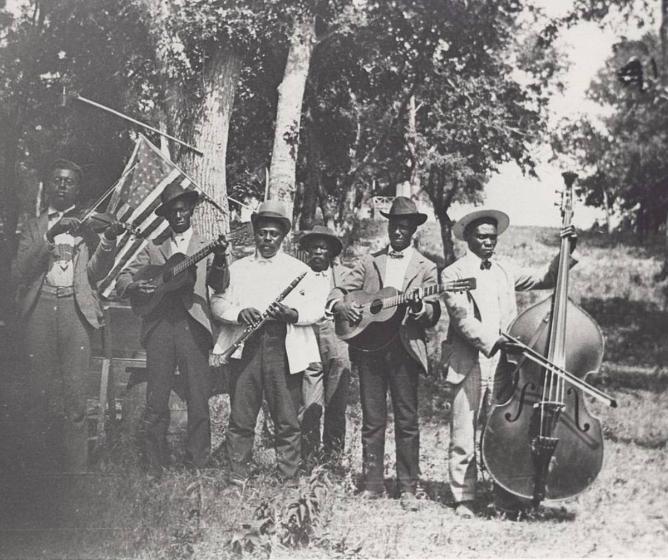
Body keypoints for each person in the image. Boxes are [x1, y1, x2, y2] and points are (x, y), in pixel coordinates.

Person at [440, 208, 577, 518]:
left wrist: (566, 250)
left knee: (501, 429)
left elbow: (547, 277)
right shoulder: (453, 273)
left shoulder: (504, 269)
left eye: (493, 237)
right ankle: (464, 497)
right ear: (469, 239)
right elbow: (462, 319)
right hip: (469, 362)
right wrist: (496, 340)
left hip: (505, 365)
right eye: (482, 237)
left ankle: (503, 492)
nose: (489, 242)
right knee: (464, 431)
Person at [327, 196, 441, 511]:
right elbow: (340, 289)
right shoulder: (369, 261)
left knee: (407, 420)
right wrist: (342, 305)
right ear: (388, 226)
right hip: (369, 349)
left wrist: (419, 306)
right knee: (372, 419)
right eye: (394, 225)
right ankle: (373, 484)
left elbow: (433, 312)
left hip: (404, 349)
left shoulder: (426, 267)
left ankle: (407, 488)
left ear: (413, 230)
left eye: (405, 227)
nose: (399, 232)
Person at [12, 158, 123, 473]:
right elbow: (18, 271)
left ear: (77, 189)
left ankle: (76, 475)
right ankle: (34, 471)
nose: (62, 185)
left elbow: (96, 273)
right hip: (41, 309)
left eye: (69, 181)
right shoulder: (34, 225)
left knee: (76, 399)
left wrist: (108, 240)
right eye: (57, 180)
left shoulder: (87, 226)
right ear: (49, 185)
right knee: (38, 395)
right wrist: (51, 237)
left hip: (76, 311)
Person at [116, 183, 228, 473]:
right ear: (166, 215)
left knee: (198, 397)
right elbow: (124, 276)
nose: (178, 215)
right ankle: (154, 465)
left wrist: (220, 257)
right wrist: (133, 285)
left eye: (182, 209)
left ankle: (197, 465)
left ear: (190, 210)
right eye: (172, 211)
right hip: (160, 326)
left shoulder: (205, 245)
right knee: (157, 398)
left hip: (193, 327)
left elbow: (220, 285)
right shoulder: (154, 247)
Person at [211, 201, 321, 484]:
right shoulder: (239, 267)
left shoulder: (300, 270)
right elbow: (218, 302)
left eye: (273, 233)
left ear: (282, 235)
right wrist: (239, 313)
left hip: (282, 345)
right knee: (242, 414)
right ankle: (238, 477)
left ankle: (288, 477)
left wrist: (292, 314)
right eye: (262, 233)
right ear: (255, 233)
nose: (267, 239)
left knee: (286, 415)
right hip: (247, 345)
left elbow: (317, 308)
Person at [298, 225, 351, 466]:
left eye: (323, 247)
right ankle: (309, 459)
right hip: (307, 337)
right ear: (307, 251)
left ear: (331, 252)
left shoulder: (345, 275)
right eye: (314, 247)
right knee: (310, 403)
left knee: (337, 401)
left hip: (337, 337)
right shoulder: (299, 274)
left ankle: (334, 459)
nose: (318, 252)